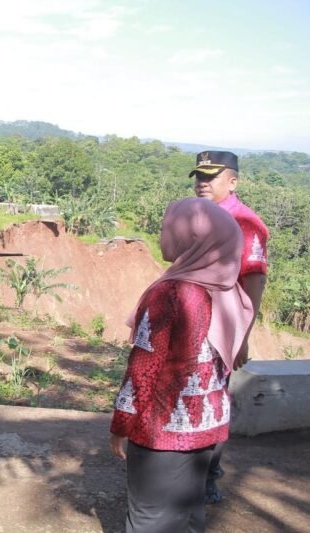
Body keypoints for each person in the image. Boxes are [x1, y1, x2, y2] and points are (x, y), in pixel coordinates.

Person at [109, 198, 254, 532]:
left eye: (166, 227)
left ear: (192, 238)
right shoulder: (224, 287)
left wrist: (121, 424)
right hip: (208, 427)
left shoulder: (171, 294)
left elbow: (143, 369)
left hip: (164, 431)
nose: (161, 233)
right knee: (187, 517)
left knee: (149, 519)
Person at [190, 150, 269, 503]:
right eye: (199, 176)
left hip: (221, 325)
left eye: (211, 176)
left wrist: (242, 336)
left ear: (232, 181)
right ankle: (185, 464)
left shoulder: (244, 222)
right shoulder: (199, 214)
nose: (202, 183)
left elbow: (253, 282)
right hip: (191, 321)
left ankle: (208, 475)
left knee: (213, 399)